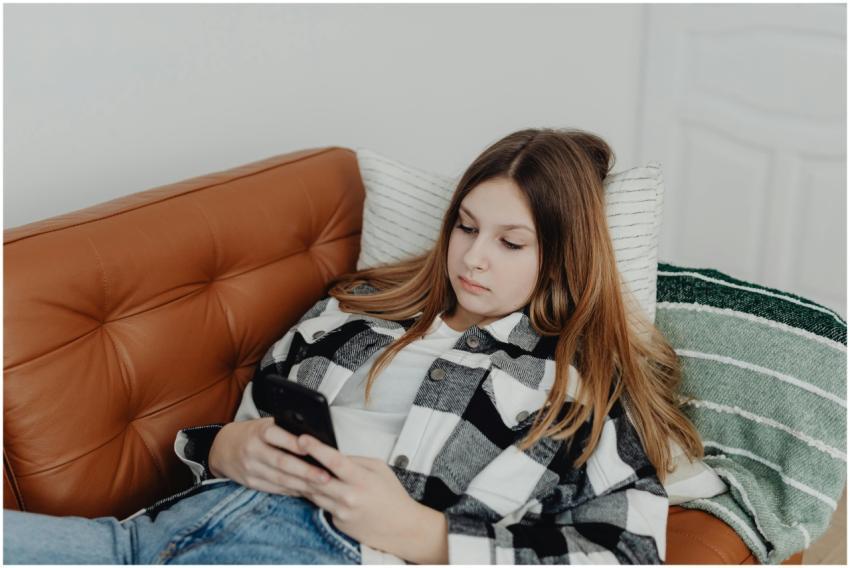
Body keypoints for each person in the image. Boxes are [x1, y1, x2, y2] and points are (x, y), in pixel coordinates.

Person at [4, 127, 704, 564]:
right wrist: (222, 447)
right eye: (464, 227)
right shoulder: (352, 313)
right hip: (145, 536)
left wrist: (426, 537)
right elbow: (257, 422)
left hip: (325, 551)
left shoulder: (577, 386)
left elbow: (628, 553)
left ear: (559, 259)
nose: (474, 259)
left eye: (510, 242)